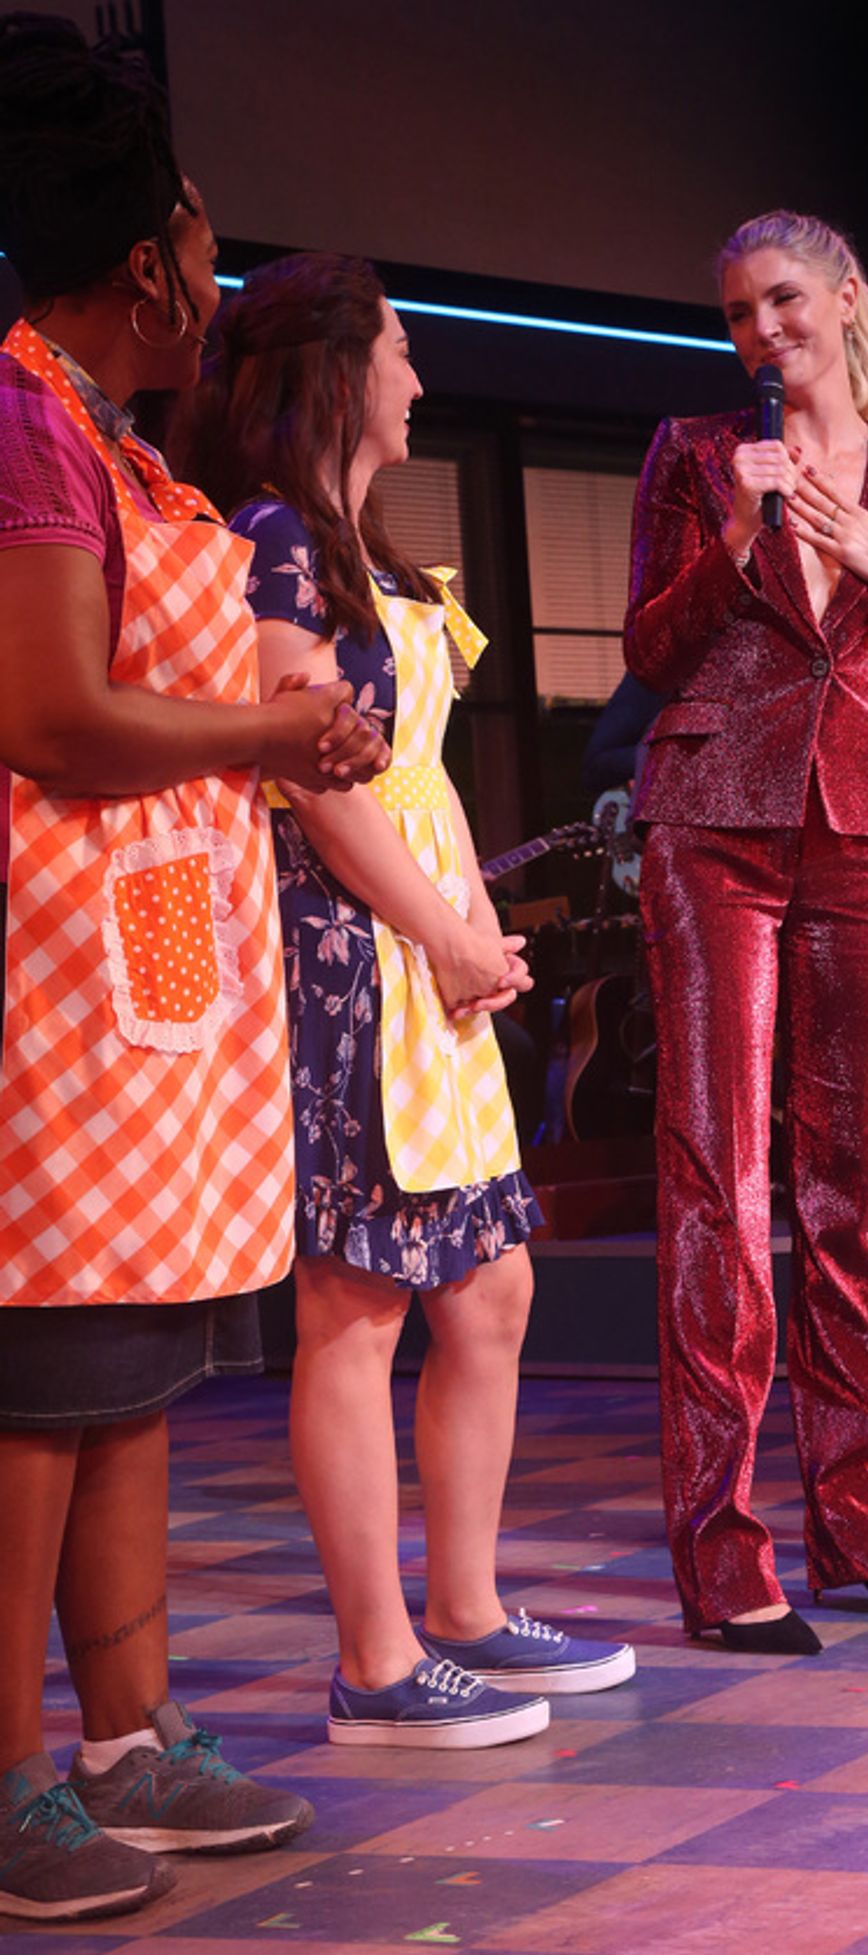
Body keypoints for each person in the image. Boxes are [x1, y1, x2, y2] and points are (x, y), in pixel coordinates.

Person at [0, 14, 387, 1924]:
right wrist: (257, 737)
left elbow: (158, 685)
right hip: (53, 991)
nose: (217, 274)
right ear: (151, 255)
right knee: (39, 1383)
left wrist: (288, 715)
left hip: (140, 977)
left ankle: (127, 1738)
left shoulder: (110, 443)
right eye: (206, 239)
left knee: (125, 1371)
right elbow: (57, 715)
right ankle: (7, 1772)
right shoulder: (18, 417)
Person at [178, 252, 635, 1748]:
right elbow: (313, 791)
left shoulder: (350, 544)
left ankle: (467, 1612)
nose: (422, 381)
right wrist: (442, 932)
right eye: (402, 353)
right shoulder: (271, 546)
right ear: (336, 370)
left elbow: (414, 776)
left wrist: (480, 929)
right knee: (359, 1299)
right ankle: (375, 1660)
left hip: (426, 942)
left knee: (489, 1282)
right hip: (346, 955)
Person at [624, 209, 868, 1653]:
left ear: (843, 299)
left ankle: (860, 1521)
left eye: (781, 299)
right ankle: (721, 1551)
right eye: (734, 313)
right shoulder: (693, 453)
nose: (759, 330)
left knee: (847, 1184)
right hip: (713, 818)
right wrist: (732, 547)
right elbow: (651, 655)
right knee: (719, 1175)